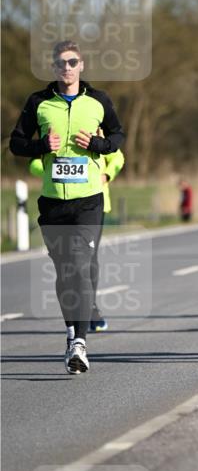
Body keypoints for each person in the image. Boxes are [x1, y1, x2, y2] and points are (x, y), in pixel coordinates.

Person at [9, 40, 125, 373]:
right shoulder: (39, 102)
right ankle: (72, 332)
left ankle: (80, 344)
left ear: (81, 65)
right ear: (53, 67)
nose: (67, 68)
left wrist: (99, 144)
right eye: (61, 63)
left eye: (73, 62)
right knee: (64, 272)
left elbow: (118, 136)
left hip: (88, 200)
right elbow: (16, 143)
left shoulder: (99, 100)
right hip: (52, 203)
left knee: (80, 264)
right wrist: (41, 145)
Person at [28, 131, 125, 331]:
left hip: (93, 205)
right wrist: (52, 171)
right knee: (66, 261)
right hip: (59, 204)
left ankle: (91, 308)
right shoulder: (56, 131)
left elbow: (117, 157)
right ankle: (74, 307)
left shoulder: (94, 131)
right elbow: (34, 163)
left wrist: (107, 175)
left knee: (89, 257)